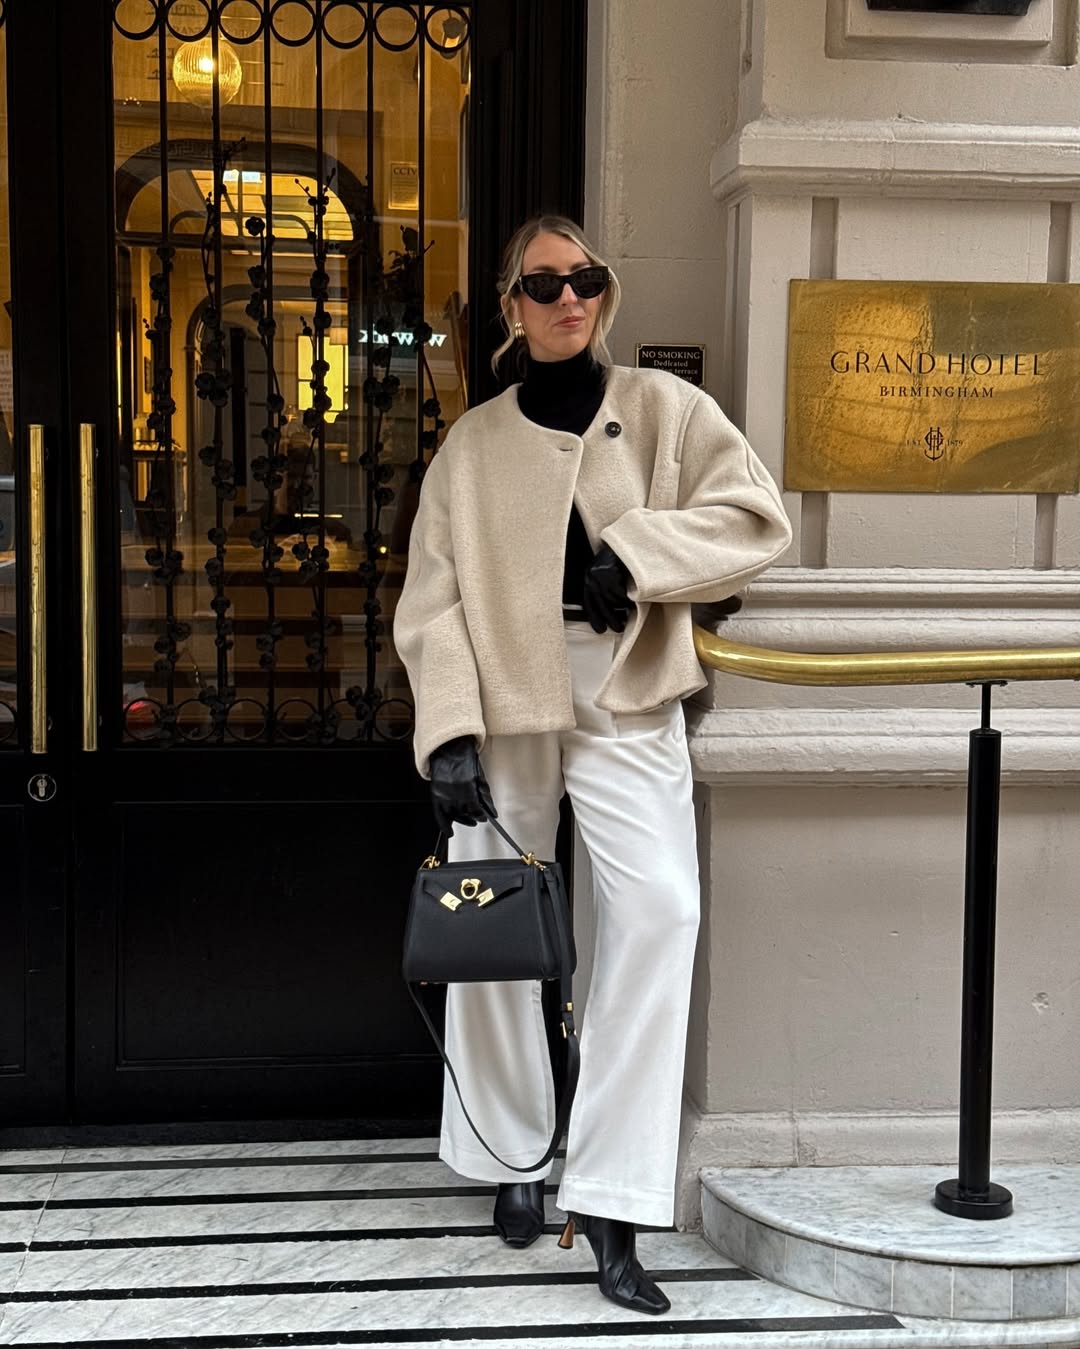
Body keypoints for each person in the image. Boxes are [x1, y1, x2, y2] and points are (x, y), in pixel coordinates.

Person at [394, 214, 792, 1315]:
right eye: (544, 283)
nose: (570, 298)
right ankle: (513, 1150)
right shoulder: (472, 443)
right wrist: (449, 733)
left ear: (603, 295)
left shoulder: (666, 410)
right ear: (511, 306)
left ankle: (611, 1194)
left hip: (625, 686)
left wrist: (641, 554)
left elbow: (757, 516)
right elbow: (432, 602)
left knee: (659, 912)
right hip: (503, 693)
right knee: (495, 915)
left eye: (587, 279)